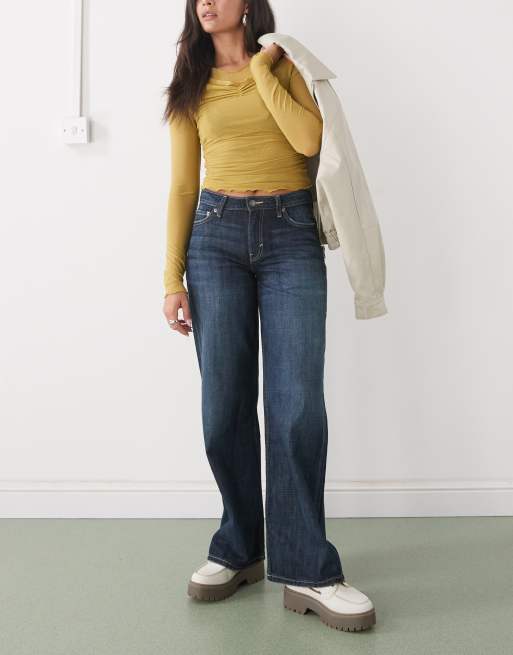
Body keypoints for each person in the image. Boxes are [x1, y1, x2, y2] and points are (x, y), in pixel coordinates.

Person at [162, 0, 376, 632]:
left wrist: (260, 70)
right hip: (215, 238)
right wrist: (171, 278)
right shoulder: (190, 83)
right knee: (223, 405)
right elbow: (183, 186)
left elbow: (309, 141)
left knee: (297, 405)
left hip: (289, 236)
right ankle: (239, 548)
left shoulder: (282, 65)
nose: (206, 3)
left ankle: (308, 568)